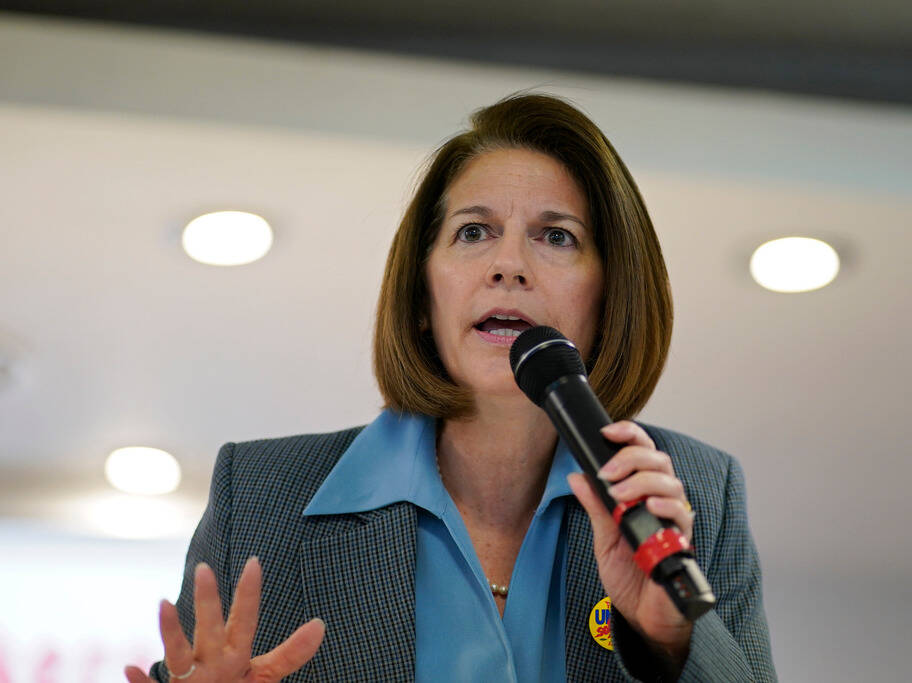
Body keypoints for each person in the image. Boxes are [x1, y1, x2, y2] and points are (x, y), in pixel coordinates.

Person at [125, 93, 775, 683]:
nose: (509, 266)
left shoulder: (694, 493)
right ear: (421, 293)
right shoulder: (262, 494)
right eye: (473, 231)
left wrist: (673, 637)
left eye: (556, 236)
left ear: (609, 297)